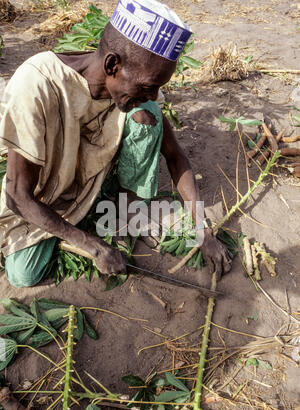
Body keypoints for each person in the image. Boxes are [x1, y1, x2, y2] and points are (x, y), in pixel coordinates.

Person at [0, 0, 232, 288]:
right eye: (148, 86)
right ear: (112, 64)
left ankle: (126, 209)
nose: (155, 95)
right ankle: (86, 218)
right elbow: (16, 194)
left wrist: (203, 231)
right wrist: (92, 246)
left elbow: (174, 156)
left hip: (93, 180)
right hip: (47, 194)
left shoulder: (129, 94)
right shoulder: (38, 85)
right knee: (24, 274)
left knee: (149, 117)